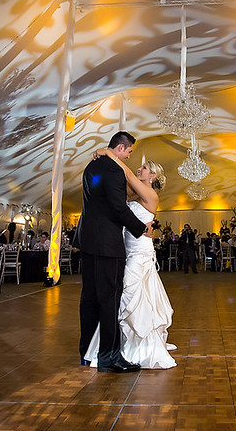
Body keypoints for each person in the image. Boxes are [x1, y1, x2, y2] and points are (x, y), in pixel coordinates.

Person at [84, 148, 175, 369]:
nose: (139, 169)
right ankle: (121, 345)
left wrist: (110, 154)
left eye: (144, 168)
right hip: (126, 247)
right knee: (122, 294)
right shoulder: (133, 194)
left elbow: (127, 175)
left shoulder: (151, 195)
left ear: (152, 176)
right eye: (141, 167)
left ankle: (140, 345)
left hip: (140, 251)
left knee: (130, 292)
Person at [74, 131, 149, 373]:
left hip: (88, 242)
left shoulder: (90, 167)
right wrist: (141, 228)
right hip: (107, 245)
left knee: (89, 298)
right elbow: (118, 209)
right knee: (109, 300)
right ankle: (109, 356)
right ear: (119, 148)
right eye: (128, 152)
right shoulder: (114, 170)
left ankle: (87, 351)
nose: (128, 157)